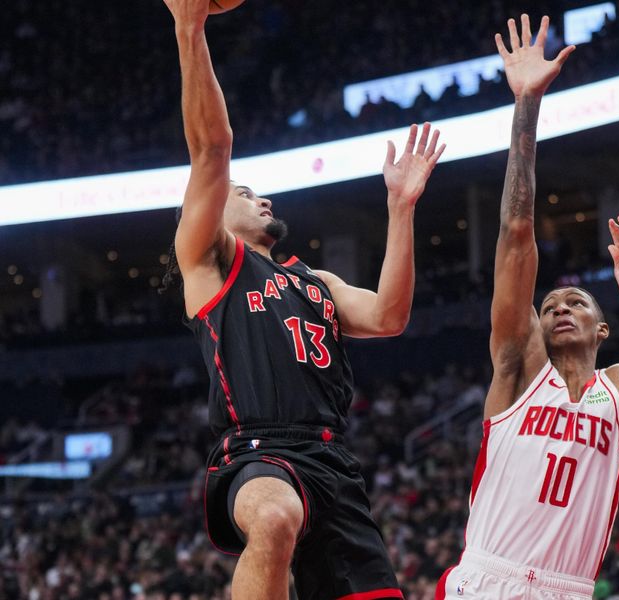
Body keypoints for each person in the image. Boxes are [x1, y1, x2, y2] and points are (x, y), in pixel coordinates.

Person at [160, 1, 445, 599]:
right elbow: (212, 150)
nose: (259, 198)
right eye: (244, 193)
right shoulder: (212, 264)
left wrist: (401, 210)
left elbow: (391, 316)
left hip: (333, 462)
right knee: (273, 518)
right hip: (259, 452)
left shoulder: (316, 281)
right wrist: (191, 28)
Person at [436, 14, 619, 600]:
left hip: (568, 588)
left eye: (577, 300)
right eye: (551, 303)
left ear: (603, 327)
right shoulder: (516, 369)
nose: (560, 306)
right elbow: (515, 232)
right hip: (487, 579)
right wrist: (526, 106)